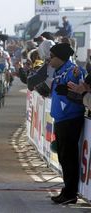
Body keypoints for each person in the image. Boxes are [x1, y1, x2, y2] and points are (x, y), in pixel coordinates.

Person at [49, 43, 86, 204]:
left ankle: (70, 193)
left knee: (69, 157)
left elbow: (83, 90)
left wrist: (70, 92)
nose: (49, 60)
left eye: (52, 57)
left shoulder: (74, 71)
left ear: (61, 58)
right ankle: (67, 190)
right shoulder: (59, 71)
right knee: (64, 157)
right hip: (61, 118)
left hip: (70, 119)